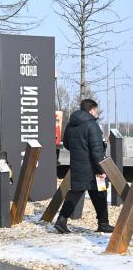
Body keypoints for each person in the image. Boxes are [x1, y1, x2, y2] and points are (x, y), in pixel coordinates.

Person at [54, 99, 114, 234]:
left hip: (78, 164)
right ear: (91, 110)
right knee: (100, 193)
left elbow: (68, 145)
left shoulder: (71, 124)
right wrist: (101, 169)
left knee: (76, 192)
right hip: (93, 166)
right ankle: (103, 224)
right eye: (96, 110)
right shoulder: (92, 125)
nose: (97, 112)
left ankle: (61, 221)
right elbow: (96, 150)